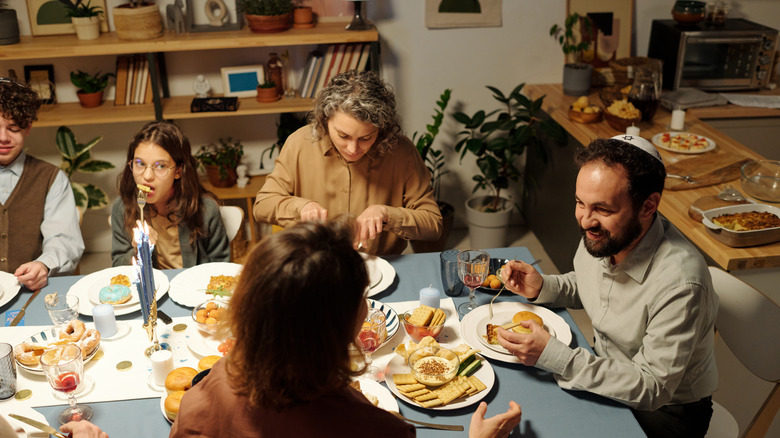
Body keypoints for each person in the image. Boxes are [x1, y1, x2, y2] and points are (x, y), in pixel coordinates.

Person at [170, 218, 522, 438]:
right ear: (338, 325)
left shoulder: (208, 391)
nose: (367, 305)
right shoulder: (374, 429)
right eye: (362, 296)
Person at [497, 134, 718, 438]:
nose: (585, 220)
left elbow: (652, 387)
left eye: (603, 209)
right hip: (602, 370)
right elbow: (594, 285)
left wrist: (554, 356)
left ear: (648, 206)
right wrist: (543, 286)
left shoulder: (681, 283)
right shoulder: (609, 232)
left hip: (664, 413)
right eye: (579, 203)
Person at [253, 70, 442, 255]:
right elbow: (263, 206)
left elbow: (433, 224)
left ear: (382, 128)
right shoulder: (299, 143)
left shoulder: (402, 151)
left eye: (366, 138)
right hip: (313, 265)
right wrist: (301, 207)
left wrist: (387, 214)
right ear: (324, 120)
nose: (353, 149)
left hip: (381, 265)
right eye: (343, 135)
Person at [0, 77, 84, 290]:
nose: (3, 137)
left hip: (31, 293)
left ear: (28, 128)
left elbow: (62, 240)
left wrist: (43, 264)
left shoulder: (51, 178)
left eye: (13, 128)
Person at [111, 121, 229, 268]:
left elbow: (222, 266)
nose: (147, 176)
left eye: (161, 166)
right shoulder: (122, 207)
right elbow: (118, 266)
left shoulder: (206, 209)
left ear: (178, 171)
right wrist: (138, 250)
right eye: (140, 163)